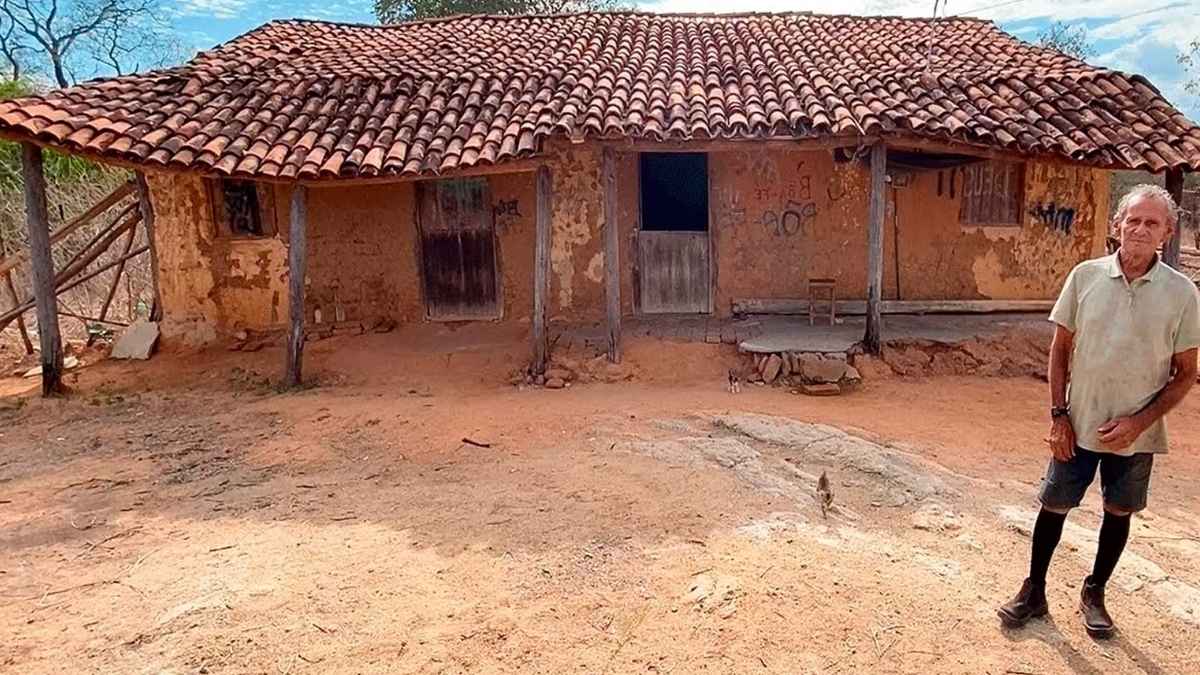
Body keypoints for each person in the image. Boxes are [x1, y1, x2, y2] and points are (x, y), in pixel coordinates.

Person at [997, 184, 1200, 638]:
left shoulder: (1183, 294)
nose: (1141, 230)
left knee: (1118, 509)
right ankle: (1034, 590)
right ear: (1117, 226)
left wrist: (1139, 423)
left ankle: (1095, 591)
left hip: (1136, 432)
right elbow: (1059, 349)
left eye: (1152, 223)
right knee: (1054, 502)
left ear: (1167, 233)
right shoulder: (1085, 276)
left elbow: (1186, 373)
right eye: (1133, 220)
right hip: (1078, 420)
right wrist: (1058, 416)